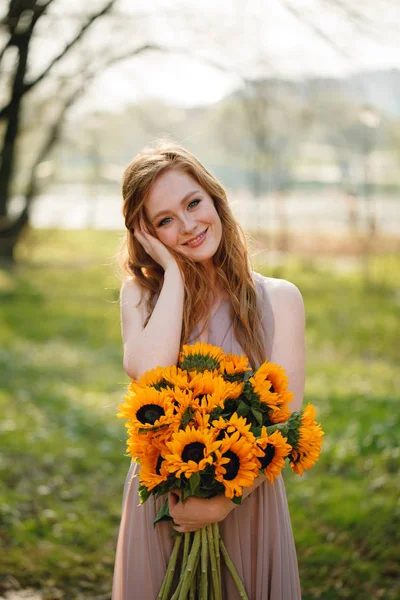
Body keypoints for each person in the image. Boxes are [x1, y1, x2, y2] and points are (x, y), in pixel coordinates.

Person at [112, 141, 305, 600]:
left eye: (192, 203)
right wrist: (173, 274)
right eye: (165, 220)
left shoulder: (279, 299)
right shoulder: (141, 297)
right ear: (147, 235)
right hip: (165, 501)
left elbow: (286, 424)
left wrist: (222, 502)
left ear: (214, 198)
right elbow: (151, 376)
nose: (189, 226)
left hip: (246, 503)